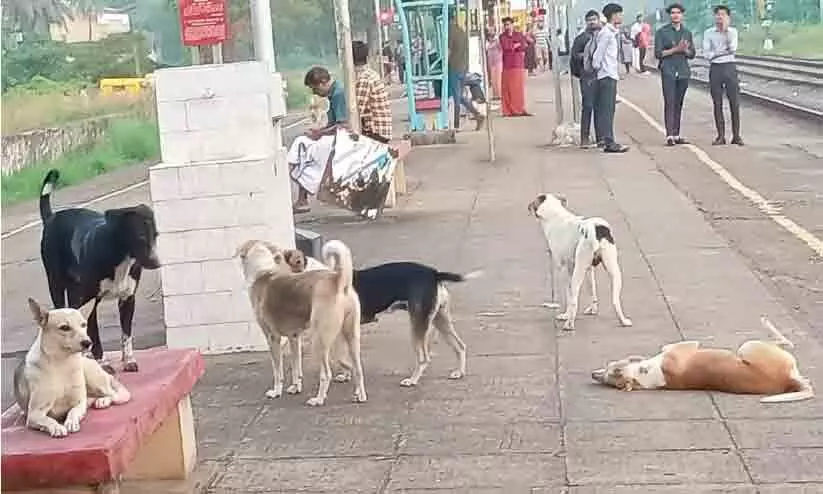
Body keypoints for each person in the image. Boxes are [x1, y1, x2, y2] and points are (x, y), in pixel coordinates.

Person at [289, 67, 348, 213]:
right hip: (334, 137)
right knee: (302, 145)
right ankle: (302, 196)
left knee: (303, 148)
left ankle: (303, 197)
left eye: (314, 88)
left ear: (322, 83)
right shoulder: (335, 93)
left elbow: (342, 125)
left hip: (341, 139)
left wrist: (319, 133)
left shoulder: (338, 95)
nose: (314, 93)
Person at [655, 3, 695, 146]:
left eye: (678, 12)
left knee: (679, 103)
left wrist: (685, 50)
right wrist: (675, 49)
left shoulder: (687, 33)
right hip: (668, 71)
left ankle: (677, 134)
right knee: (669, 102)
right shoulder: (662, 32)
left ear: (682, 15)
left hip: (683, 71)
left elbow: (692, 54)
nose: (675, 15)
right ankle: (669, 135)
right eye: (673, 12)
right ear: (669, 15)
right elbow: (658, 53)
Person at [592, 3, 629, 153]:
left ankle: (607, 139)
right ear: (613, 16)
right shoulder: (606, 33)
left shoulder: (612, 32)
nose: (621, 16)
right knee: (607, 110)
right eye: (619, 14)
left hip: (610, 75)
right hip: (606, 76)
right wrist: (601, 69)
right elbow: (597, 57)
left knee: (609, 109)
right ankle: (609, 142)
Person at [703, 5, 743, 145]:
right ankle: (721, 136)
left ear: (728, 17)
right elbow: (707, 54)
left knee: (734, 102)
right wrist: (720, 53)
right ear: (714, 17)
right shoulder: (708, 33)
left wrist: (725, 32)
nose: (720, 17)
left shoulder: (732, 32)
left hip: (729, 67)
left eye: (723, 15)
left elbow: (732, 48)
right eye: (718, 14)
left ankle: (736, 135)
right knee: (717, 102)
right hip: (715, 69)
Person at [570, 9, 602, 147]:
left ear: (598, 20)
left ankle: (601, 137)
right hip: (587, 76)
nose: (592, 22)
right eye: (590, 20)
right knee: (588, 106)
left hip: (602, 75)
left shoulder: (603, 36)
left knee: (601, 107)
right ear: (586, 22)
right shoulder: (581, 39)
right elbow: (574, 57)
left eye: (594, 19)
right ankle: (585, 138)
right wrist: (587, 56)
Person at [448, 13, 485, 130]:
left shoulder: (449, 31)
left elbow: (448, 51)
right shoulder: (462, 32)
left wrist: (444, 64)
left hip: (454, 67)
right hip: (463, 68)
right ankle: (476, 115)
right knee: (460, 96)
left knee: (457, 97)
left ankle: (457, 124)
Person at [353, 41, 393, 143]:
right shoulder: (370, 74)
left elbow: (355, 112)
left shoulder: (364, 79)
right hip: (381, 130)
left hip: (375, 132)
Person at [499, 17, 532, 117]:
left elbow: (523, 46)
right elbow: (506, 47)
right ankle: (508, 110)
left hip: (517, 64)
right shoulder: (502, 36)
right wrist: (515, 45)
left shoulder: (518, 34)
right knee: (507, 88)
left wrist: (515, 45)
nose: (507, 26)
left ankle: (519, 109)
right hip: (507, 65)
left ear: (512, 25)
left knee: (518, 88)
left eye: (508, 24)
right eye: (505, 25)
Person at [485, 28, 503, 100]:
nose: (490, 32)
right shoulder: (487, 41)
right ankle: (495, 95)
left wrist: (495, 42)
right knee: (493, 79)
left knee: (498, 79)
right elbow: (486, 49)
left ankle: (499, 94)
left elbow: (501, 48)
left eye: (492, 31)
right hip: (491, 62)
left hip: (498, 61)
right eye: (489, 31)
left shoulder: (497, 40)